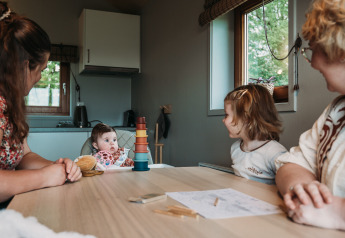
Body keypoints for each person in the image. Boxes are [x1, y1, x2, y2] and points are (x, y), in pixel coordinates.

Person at [0, 1, 81, 205]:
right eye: (42, 70)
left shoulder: (10, 103)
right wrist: (44, 177)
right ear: (26, 67)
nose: (40, 78)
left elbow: (23, 156)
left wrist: (56, 167)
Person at [275, 0, 345, 230]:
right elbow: (291, 164)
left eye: (313, 49)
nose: (312, 60)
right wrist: (302, 189)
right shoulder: (335, 112)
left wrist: (338, 213)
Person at [223, 84, 287, 185]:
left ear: (246, 119)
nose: (224, 120)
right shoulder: (235, 148)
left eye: (226, 115)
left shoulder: (274, 153)